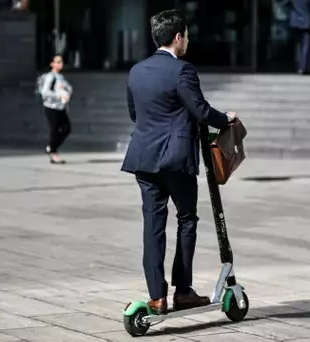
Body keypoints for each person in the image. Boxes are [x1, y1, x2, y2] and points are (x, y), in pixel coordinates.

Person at [120, 9, 237, 314]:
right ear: (177, 37)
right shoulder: (182, 70)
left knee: (153, 225)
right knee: (186, 219)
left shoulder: (136, 71)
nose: (187, 40)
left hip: (142, 158)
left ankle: (157, 296)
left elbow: (136, 114)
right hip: (175, 159)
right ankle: (182, 291)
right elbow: (200, 110)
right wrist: (226, 118)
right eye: (186, 35)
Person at [41, 55, 72, 164]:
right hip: (51, 107)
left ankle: (51, 147)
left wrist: (67, 93)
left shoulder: (60, 77)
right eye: (57, 62)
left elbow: (67, 88)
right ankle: (52, 151)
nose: (60, 64)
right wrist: (59, 96)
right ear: (52, 64)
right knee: (55, 129)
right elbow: (45, 92)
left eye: (61, 61)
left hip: (61, 107)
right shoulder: (50, 76)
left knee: (66, 128)